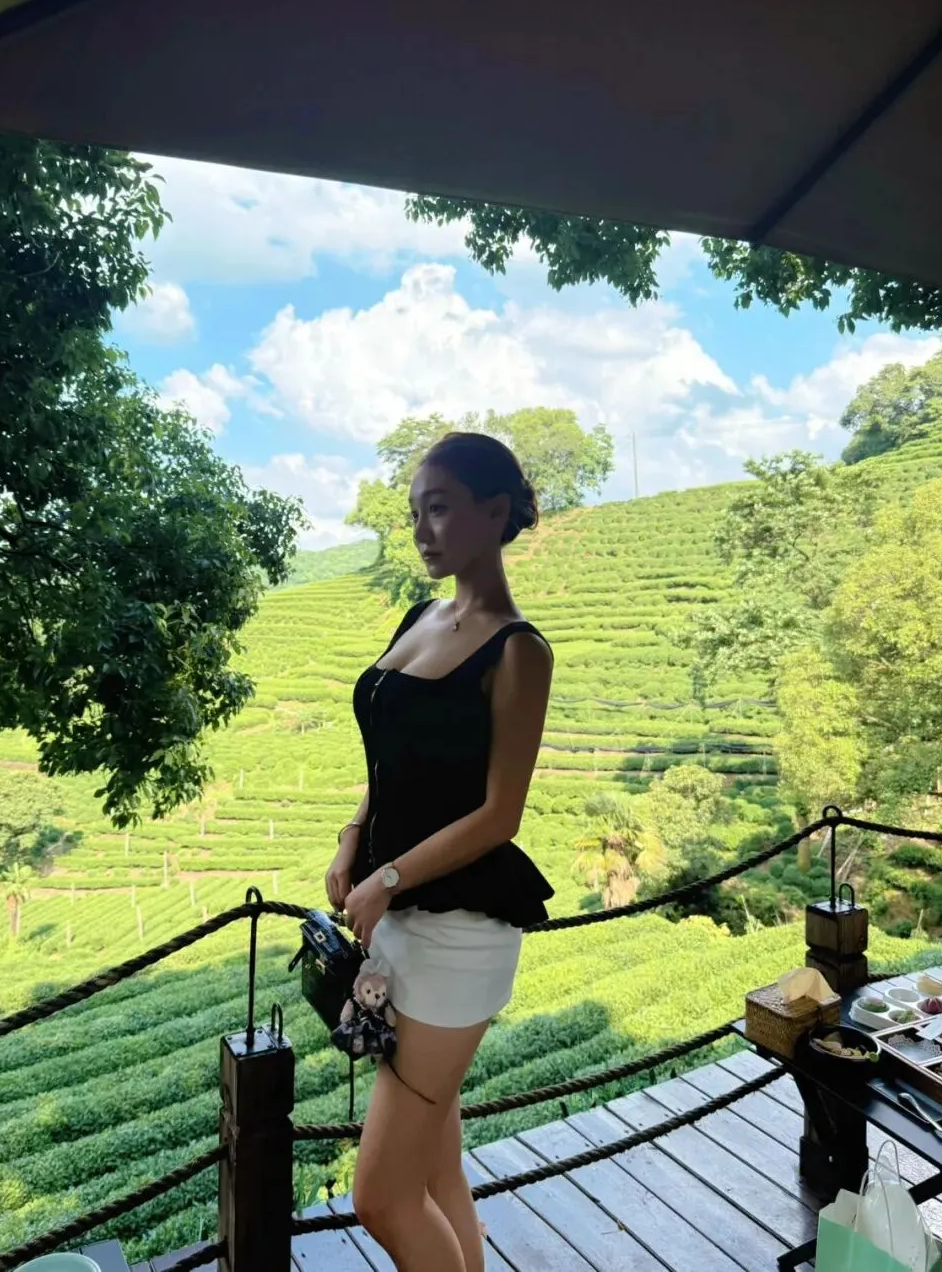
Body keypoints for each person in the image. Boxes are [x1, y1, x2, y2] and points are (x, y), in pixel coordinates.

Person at [324, 431, 555, 1272]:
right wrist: (355, 836)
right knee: (434, 1165)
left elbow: (500, 814)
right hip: (397, 913)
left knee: (381, 1195)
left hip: (459, 933)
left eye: (442, 507)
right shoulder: (420, 616)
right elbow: (392, 760)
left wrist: (387, 876)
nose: (423, 529)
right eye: (416, 511)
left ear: (495, 512)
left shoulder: (518, 650)